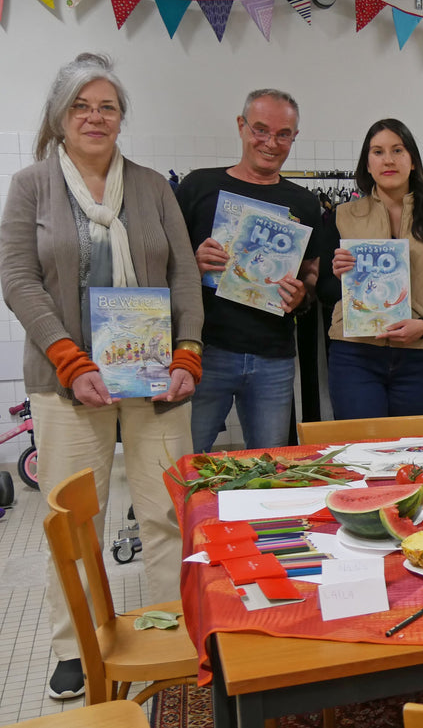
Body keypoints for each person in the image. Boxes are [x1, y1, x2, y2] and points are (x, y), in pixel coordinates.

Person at [0, 53, 203, 699]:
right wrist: (69, 357)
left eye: (107, 106)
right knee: (74, 518)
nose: (95, 117)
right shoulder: (31, 186)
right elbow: (17, 278)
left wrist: (189, 349)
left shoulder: (150, 185)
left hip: (156, 379)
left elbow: (184, 275)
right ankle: (74, 643)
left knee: (168, 510)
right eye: (82, 106)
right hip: (68, 381)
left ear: (121, 118)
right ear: (60, 117)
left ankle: (176, 625)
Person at [176, 89, 320, 452]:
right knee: (184, 462)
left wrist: (303, 292)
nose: (271, 142)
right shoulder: (198, 187)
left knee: (269, 466)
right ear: (241, 127)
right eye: (260, 129)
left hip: (273, 356)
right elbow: (161, 265)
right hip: (205, 350)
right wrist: (193, 262)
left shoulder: (304, 202)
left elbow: (311, 275)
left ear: (294, 137)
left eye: (283, 133)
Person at [319, 118, 423, 419]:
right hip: (354, 353)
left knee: (410, 453)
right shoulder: (342, 217)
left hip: (418, 356)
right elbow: (324, 290)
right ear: (367, 164)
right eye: (378, 152)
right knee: (362, 452)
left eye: (398, 150)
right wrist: (337, 275)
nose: (388, 160)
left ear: (412, 161)